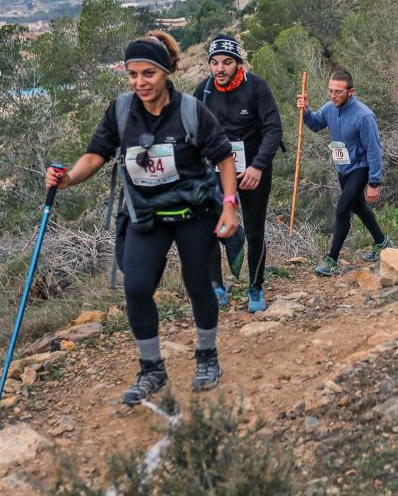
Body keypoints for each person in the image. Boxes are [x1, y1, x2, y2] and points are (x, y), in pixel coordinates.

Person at [45, 32, 240, 405]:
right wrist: (67, 178)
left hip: (193, 212)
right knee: (135, 288)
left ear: (165, 72)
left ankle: (207, 357)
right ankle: (151, 369)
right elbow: (95, 155)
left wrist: (229, 205)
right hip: (145, 214)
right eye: (132, 74)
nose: (140, 82)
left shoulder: (190, 111)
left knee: (198, 283)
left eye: (148, 73)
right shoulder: (120, 111)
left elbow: (224, 157)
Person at [196, 34, 283, 314]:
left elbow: (273, 129)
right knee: (212, 228)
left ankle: (255, 287)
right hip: (219, 173)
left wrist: (258, 166)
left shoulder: (256, 87)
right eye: (215, 62)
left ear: (238, 63)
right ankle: (217, 287)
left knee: (256, 232)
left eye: (227, 62)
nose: (220, 68)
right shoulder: (204, 90)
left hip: (254, 171)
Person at [296, 70, 392, 277]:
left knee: (342, 209)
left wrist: (374, 182)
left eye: (338, 92)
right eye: (330, 91)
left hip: (361, 167)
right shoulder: (330, 108)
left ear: (351, 91)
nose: (333, 95)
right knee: (357, 205)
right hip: (343, 167)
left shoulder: (364, 115)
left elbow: (374, 149)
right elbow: (315, 124)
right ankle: (382, 242)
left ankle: (332, 259)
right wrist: (305, 110)